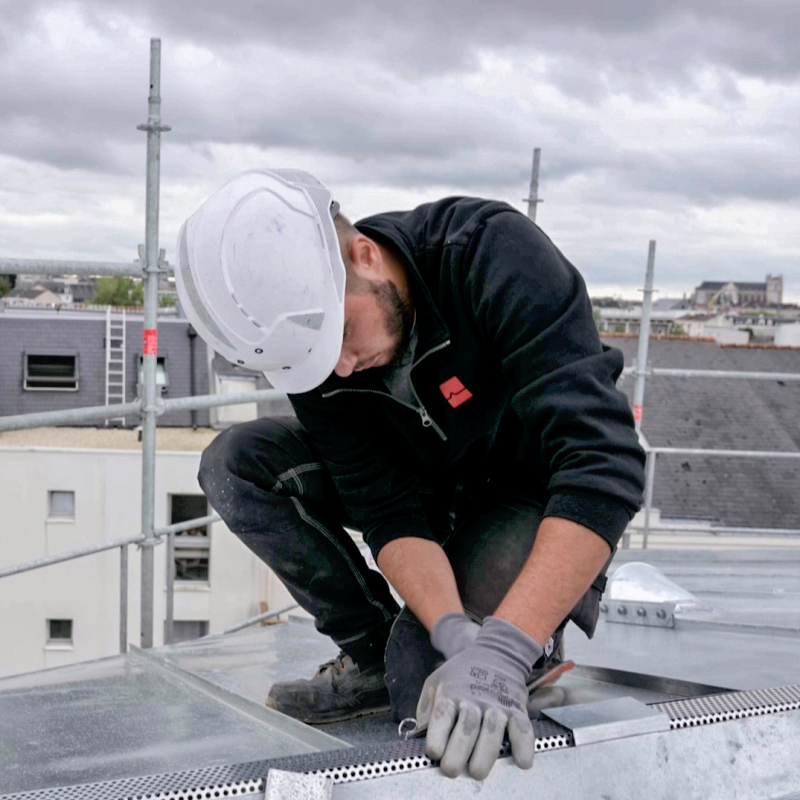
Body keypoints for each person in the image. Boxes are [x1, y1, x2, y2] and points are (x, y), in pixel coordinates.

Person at [176, 169, 645, 781]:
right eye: (319, 359)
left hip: (525, 496)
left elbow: (602, 466)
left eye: (342, 335)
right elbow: (385, 510)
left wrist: (503, 648)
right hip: (426, 488)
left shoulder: (489, 253)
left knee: (430, 694)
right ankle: (373, 656)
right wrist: (449, 628)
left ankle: (524, 639)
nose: (340, 368)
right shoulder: (322, 359)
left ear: (364, 254)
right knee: (235, 464)